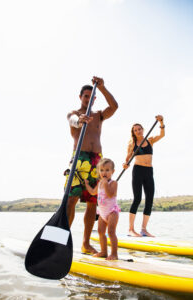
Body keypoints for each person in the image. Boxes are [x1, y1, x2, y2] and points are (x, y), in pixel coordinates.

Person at [64, 76, 118, 254]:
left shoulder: (98, 115)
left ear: (94, 98)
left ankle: (86, 244)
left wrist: (102, 87)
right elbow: (72, 120)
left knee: (92, 203)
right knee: (71, 200)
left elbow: (114, 107)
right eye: (85, 96)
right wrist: (80, 121)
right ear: (80, 97)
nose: (88, 99)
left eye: (91, 96)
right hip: (80, 159)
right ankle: (63, 240)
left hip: (97, 161)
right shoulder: (73, 113)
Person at [123, 115, 165, 237]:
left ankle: (144, 229)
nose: (138, 131)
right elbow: (127, 159)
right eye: (135, 130)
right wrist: (125, 164)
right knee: (137, 199)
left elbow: (162, 135)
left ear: (143, 129)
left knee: (150, 200)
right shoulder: (132, 143)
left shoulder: (150, 140)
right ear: (133, 132)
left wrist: (161, 122)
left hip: (149, 171)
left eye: (139, 129)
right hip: (138, 171)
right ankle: (131, 229)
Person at [85, 158, 120, 260]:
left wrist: (105, 184)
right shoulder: (99, 183)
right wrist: (87, 184)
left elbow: (110, 194)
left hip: (112, 212)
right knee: (100, 231)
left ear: (112, 172)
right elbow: (92, 192)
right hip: (102, 213)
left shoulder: (113, 183)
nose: (104, 173)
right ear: (99, 172)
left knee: (111, 232)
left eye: (107, 170)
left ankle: (114, 253)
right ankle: (104, 251)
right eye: (102, 170)